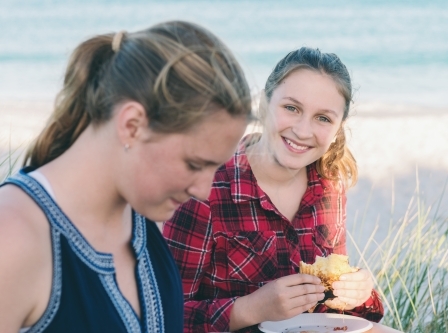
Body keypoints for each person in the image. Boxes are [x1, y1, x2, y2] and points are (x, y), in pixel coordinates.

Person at [0, 21, 252, 333]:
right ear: (132, 125)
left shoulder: (141, 220)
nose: (203, 190)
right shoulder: (12, 236)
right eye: (193, 163)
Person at [163, 47, 385, 333]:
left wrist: (360, 295)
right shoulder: (204, 189)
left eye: (323, 118)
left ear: (337, 130)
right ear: (264, 105)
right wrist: (252, 308)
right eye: (291, 108)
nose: (303, 131)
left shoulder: (330, 182)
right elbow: (163, 315)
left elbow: (333, 311)